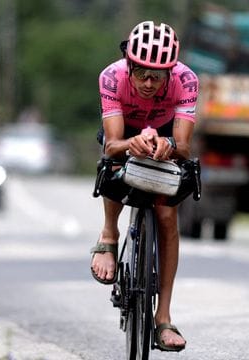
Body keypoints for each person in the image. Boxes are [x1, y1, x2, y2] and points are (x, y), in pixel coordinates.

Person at [91, 20, 198, 352]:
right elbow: (111, 144)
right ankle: (109, 236)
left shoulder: (186, 80)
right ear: (130, 66)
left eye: (158, 76)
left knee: (166, 214)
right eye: (143, 75)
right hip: (125, 132)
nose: (150, 83)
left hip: (166, 131)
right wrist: (131, 143)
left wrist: (167, 144)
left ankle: (163, 316)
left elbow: (183, 145)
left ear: (170, 72)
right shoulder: (111, 77)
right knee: (114, 168)